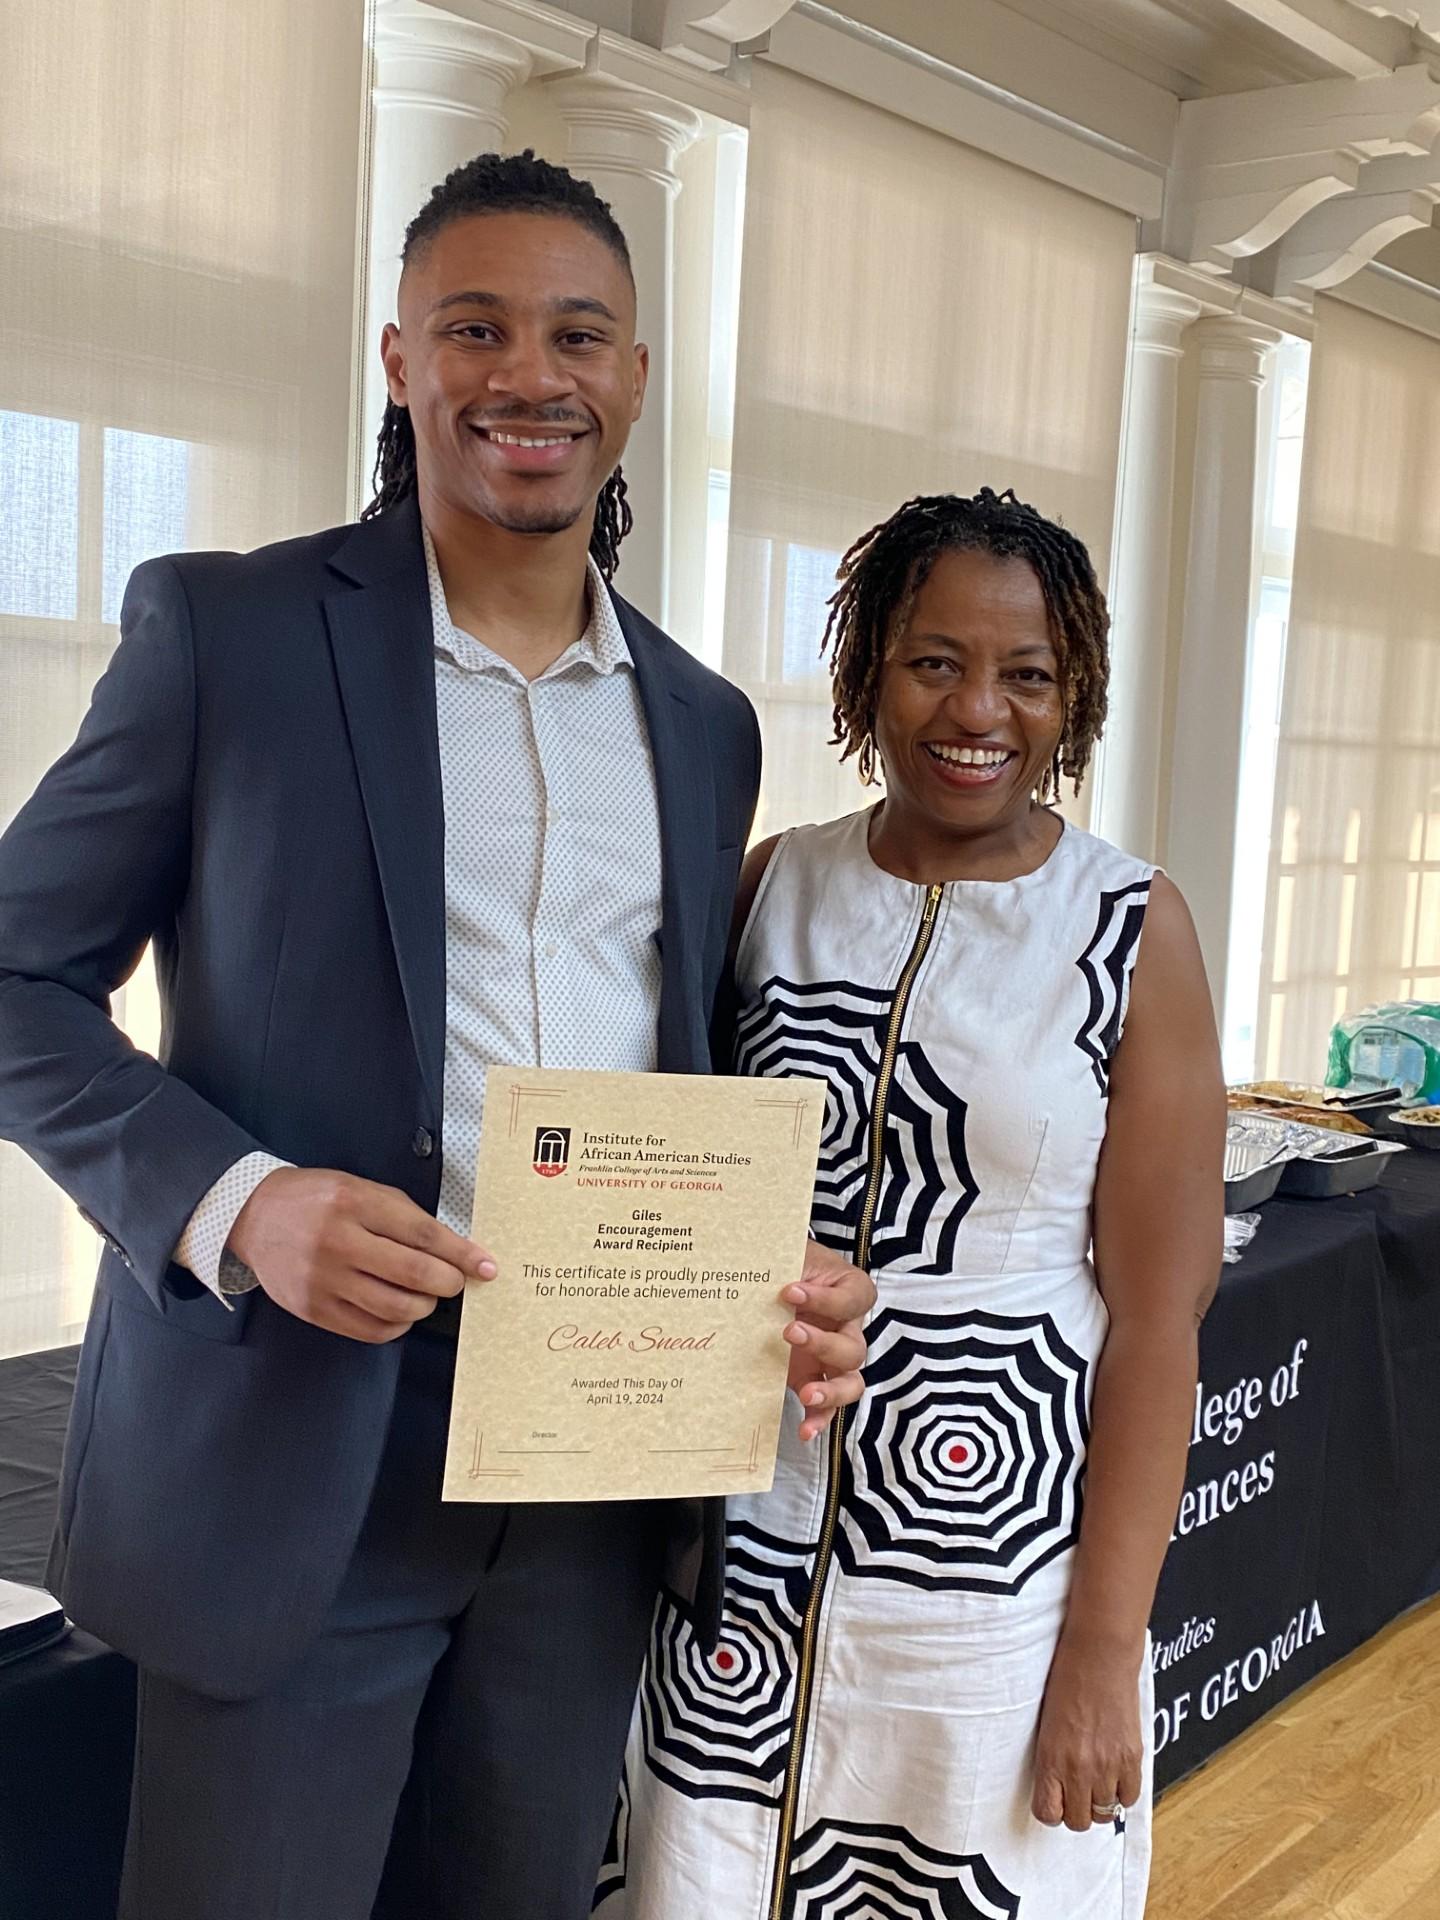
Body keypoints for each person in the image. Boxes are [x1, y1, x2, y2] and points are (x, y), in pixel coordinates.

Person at [0, 151, 871, 1920]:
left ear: (635, 378)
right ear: (401, 361)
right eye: (474, 328)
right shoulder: (229, 632)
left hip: (590, 1481)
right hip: (290, 1457)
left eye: (577, 334)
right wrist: (239, 1200)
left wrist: (753, 1281)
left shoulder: (704, 726)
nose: (527, 376)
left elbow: (663, 1074)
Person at [603, 488, 1224, 1919]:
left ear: (1074, 700)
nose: (979, 710)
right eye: (935, 659)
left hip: (993, 1592)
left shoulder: (1130, 928)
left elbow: (1156, 1326)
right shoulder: (775, 887)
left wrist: (1100, 1655)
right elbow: (677, 1184)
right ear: (866, 668)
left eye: (1028, 675)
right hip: (740, 1566)